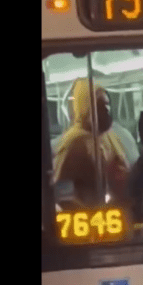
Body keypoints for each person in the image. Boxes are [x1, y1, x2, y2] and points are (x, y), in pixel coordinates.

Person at [53, 78, 129, 207]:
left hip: (111, 213)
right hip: (86, 215)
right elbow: (62, 193)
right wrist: (88, 213)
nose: (106, 109)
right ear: (85, 107)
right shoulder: (74, 144)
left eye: (107, 104)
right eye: (100, 105)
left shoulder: (110, 138)